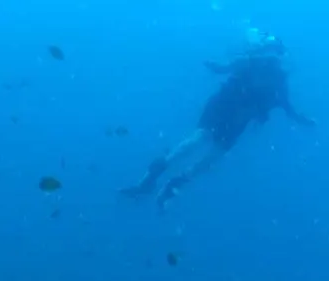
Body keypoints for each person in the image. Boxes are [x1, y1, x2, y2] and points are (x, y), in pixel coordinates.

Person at [121, 29, 316, 210]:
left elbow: (287, 105)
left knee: (213, 156)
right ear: (261, 51)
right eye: (268, 52)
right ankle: (150, 179)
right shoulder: (248, 63)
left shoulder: (278, 79)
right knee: (195, 141)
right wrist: (216, 67)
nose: (271, 57)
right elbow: (224, 68)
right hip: (221, 108)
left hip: (239, 120)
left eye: (275, 53)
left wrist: (300, 118)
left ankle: (174, 183)